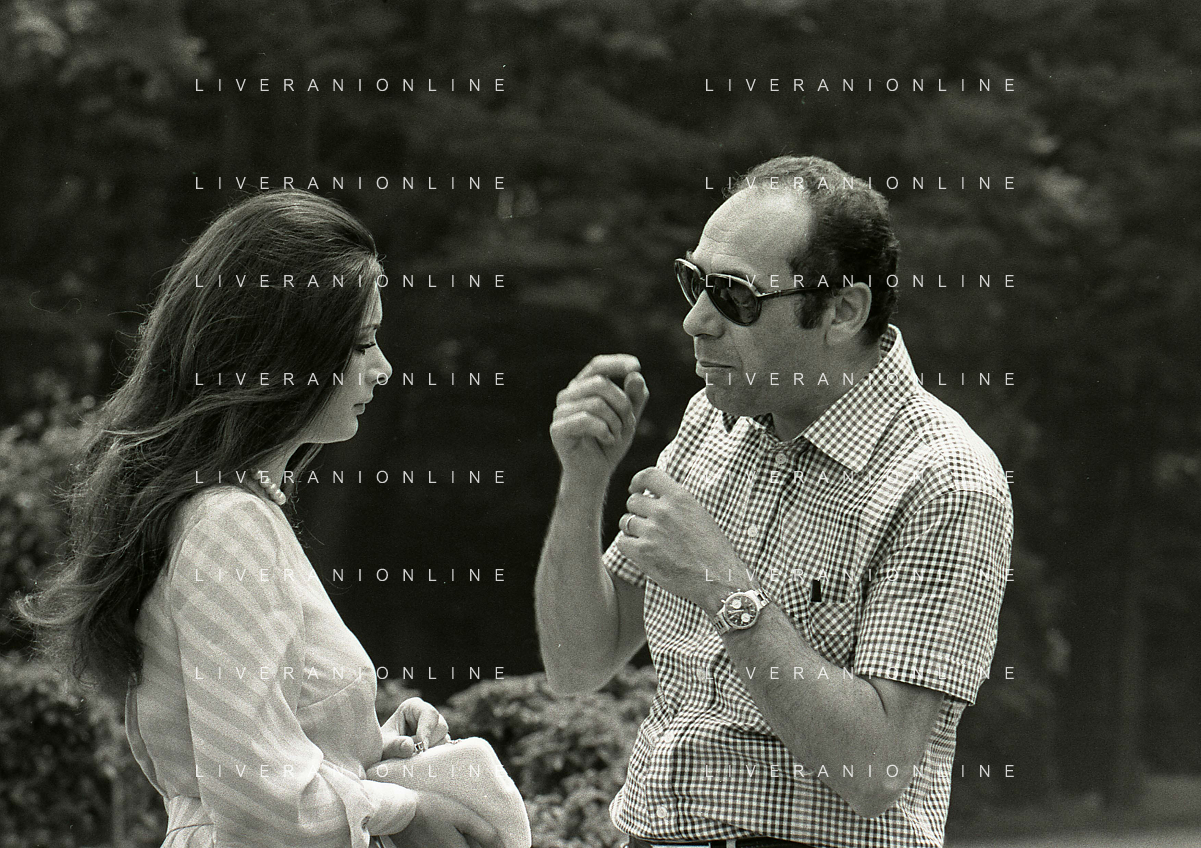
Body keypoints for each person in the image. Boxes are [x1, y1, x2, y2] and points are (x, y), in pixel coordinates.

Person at [535, 155, 1013, 848]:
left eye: (735, 296)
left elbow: (876, 771)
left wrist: (722, 586)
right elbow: (577, 663)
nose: (695, 321)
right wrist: (582, 483)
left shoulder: (945, 480)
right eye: (693, 282)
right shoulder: (713, 419)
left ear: (843, 311)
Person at [19, 190, 502, 848]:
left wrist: (374, 748)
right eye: (362, 343)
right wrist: (407, 810)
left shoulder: (231, 512)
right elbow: (258, 799)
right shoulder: (227, 525)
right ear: (286, 350)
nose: (383, 368)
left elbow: (260, 757)